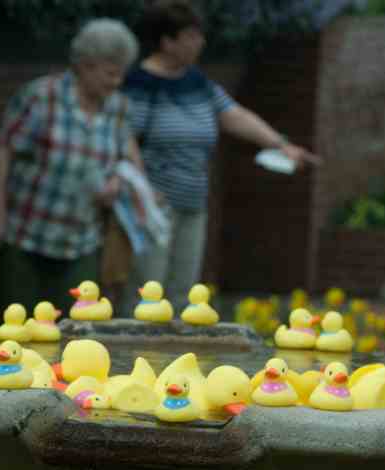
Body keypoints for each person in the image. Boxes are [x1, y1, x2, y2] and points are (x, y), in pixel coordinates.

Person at [124, 0, 320, 307]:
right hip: (153, 207)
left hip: (193, 201)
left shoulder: (196, 82)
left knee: (183, 292)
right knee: (148, 293)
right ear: (167, 41)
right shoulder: (141, 84)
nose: (200, 43)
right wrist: (144, 190)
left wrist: (280, 145)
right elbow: (124, 138)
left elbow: (234, 115)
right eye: (191, 36)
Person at [0, 18, 144, 317]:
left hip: (82, 240)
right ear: (86, 65)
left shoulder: (119, 107)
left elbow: (126, 157)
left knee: (74, 327)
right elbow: (4, 148)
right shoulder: (41, 96)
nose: (117, 82)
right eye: (111, 73)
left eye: (121, 74)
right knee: (16, 324)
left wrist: (118, 185)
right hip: (26, 234)